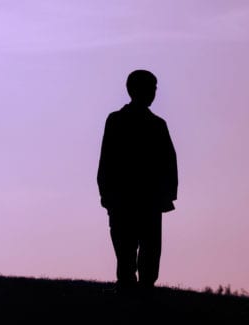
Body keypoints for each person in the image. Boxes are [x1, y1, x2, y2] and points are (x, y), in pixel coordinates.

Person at [97, 70, 178, 294]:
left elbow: (168, 162)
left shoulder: (156, 124)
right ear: (135, 90)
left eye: (154, 88)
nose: (153, 93)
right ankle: (130, 287)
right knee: (126, 247)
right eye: (150, 88)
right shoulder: (119, 121)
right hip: (127, 197)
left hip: (145, 198)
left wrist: (168, 193)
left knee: (146, 247)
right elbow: (107, 159)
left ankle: (140, 288)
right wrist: (105, 190)